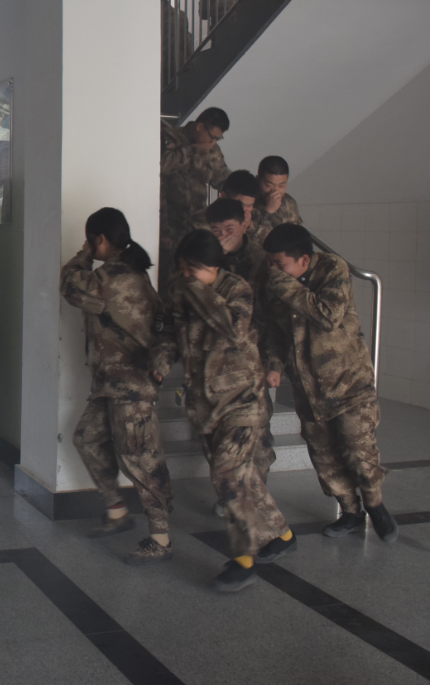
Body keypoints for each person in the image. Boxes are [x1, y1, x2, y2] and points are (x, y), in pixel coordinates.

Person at [153, 230, 295, 592]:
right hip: (204, 402)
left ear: (214, 266)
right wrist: (162, 361)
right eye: (182, 268)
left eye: (193, 269)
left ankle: (244, 560)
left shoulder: (237, 289)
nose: (186, 276)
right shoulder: (179, 289)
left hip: (242, 400)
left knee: (227, 476)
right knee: (243, 477)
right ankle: (282, 534)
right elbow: (170, 332)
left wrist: (197, 290)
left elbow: (233, 329)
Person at [261, 224, 397, 543]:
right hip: (308, 388)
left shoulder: (333, 269)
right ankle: (350, 511)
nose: (274, 271)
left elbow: (328, 315)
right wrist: (275, 366)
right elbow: (273, 332)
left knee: (358, 448)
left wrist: (285, 286)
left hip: (348, 383)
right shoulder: (278, 282)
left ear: (304, 260)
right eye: (272, 264)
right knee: (324, 455)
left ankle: (374, 503)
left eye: (280, 264)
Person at [61, 208, 175, 565]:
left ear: (101, 240)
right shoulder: (125, 272)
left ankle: (161, 538)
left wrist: (82, 254)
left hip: (131, 386)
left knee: (139, 459)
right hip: (112, 383)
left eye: (91, 241)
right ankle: (116, 511)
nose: (89, 247)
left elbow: (70, 285)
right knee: (87, 438)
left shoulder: (115, 276)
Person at [206, 198, 275, 479]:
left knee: (257, 432)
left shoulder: (261, 261)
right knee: (218, 433)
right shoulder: (206, 262)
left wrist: (274, 363)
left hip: (253, 357)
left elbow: (274, 316)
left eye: (229, 229)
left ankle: (257, 491)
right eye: (215, 230)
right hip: (216, 358)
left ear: (244, 225)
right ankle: (231, 491)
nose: (222, 236)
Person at [159, 107, 230, 289]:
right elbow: (162, 165)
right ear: (200, 126)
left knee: (196, 279)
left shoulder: (212, 150)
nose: (213, 143)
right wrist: (193, 150)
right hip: (167, 226)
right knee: (167, 278)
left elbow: (222, 179)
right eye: (212, 137)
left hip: (197, 226)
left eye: (218, 139)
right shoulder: (170, 138)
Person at [252, 156, 303, 245]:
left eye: (281, 186)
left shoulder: (289, 203)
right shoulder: (249, 203)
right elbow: (252, 245)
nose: (275, 192)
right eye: (269, 185)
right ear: (258, 180)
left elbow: (296, 237)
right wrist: (268, 212)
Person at [191, 170, 263, 232]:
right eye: (240, 205)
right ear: (223, 196)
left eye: (249, 205)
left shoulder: (255, 217)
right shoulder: (197, 224)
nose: (244, 210)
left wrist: (247, 228)